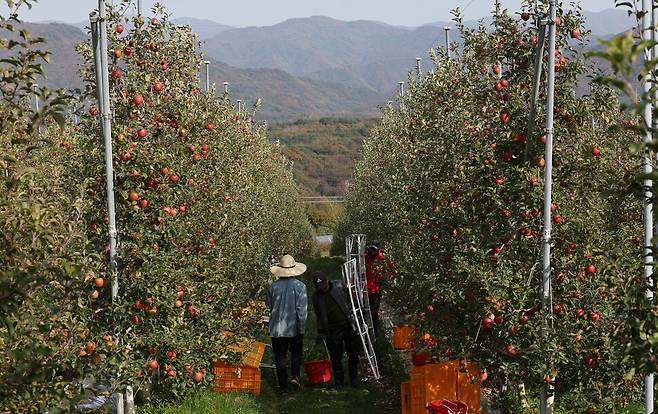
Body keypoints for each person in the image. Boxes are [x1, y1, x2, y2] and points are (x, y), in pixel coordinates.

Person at [312, 271, 360, 388]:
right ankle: (339, 382)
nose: (322, 289)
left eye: (323, 286)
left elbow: (352, 300)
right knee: (335, 357)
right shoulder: (316, 297)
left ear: (327, 280)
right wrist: (321, 330)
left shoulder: (339, 286)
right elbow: (318, 314)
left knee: (353, 354)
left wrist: (357, 316)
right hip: (332, 330)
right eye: (319, 287)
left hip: (348, 325)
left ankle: (354, 378)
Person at [266, 254, 308, 391]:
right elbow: (302, 311)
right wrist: (302, 329)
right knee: (296, 354)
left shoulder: (272, 287)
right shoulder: (300, 287)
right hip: (293, 327)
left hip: (277, 328)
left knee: (280, 357)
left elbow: (269, 307)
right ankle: (295, 377)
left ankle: (283, 387)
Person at [365, 240, 393, 339]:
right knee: (364, 313)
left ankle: (374, 336)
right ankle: (365, 335)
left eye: (374, 250)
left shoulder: (382, 259)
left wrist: (384, 281)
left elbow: (391, 272)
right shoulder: (365, 257)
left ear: (378, 250)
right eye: (371, 249)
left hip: (375, 290)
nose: (372, 251)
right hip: (364, 289)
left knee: (373, 313)